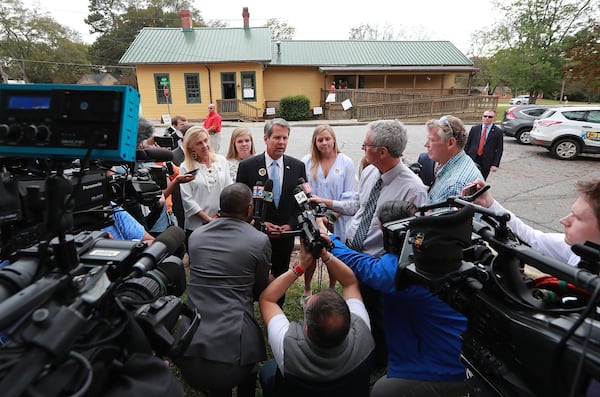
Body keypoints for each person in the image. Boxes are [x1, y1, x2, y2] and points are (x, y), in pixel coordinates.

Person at [309, 119, 427, 378]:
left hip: (377, 266)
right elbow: (359, 207)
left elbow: (411, 242)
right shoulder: (372, 171)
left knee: (378, 317)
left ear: (382, 151)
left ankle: (377, 364)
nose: (363, 149)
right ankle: (359, 348)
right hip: (352, 254)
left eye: (366, 145)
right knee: (356, 306)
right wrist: (328, 202)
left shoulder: (413, 189)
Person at [324, 200, 469, 397]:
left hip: (441, 369)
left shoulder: (402, 270)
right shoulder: (434, 256)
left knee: (382, 392)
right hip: (459, 353)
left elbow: (362, 265)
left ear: (383, 227)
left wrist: (329, 240)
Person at [175, 183, 271, 397]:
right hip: (235, 341)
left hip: (191, 339)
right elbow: (260, 289)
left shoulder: (197, 236)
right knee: (246, 363)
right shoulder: (259, 240)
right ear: (249, 209)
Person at [259, 238, 375, 397]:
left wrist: (300, 267)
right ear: (349, 322)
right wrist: (325, 254)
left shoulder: (288, 348)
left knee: (268, 371)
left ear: (306, 329)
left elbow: (267, 299)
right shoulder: (363, 332)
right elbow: (350, 282)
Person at [236, 118, 307, 307]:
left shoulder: (298, 167)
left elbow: (301, 202)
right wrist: (260, 223)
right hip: (256, 235)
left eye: (285, 138)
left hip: (285, 236)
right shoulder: (248, 167)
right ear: (266, 138)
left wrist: (291, 224)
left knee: (281, 274)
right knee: (252, 274)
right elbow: (241, 203)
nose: (282, 142)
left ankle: (276, 309)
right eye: (277, 137)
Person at [472, 178, 600, 266]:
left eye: (577, 218)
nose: (564, 220)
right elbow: (532, 238)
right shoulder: (578, 248)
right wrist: (489, 204)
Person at [300, 124, 356, 305]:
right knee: (310, 255)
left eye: (327, 139)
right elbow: (303, 193)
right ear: (315, 142)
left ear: (334, 140)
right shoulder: (307, 162)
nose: (324, 143)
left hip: (337, 220)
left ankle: (332, 288)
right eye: (320, 140)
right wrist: (316, 217)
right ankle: (307, 288)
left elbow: (349, 195)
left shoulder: (345, 162)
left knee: (333, 255)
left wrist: (332, 217)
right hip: (312, 219)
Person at [179, 126, 232, 243]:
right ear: (191, 147)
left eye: (205, 140)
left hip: (221, 222)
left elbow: (229, 190)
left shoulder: (221, 161)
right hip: (197, 227)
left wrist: (221, 217)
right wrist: (207, 219)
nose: (204, 145)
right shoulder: (186, 167)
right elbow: (187, 199)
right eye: (199, 143)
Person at [424, 115, 483, 204]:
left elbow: (440, 217)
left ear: (450, 143)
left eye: (431, 140)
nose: (426, 145)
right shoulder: (461, 161)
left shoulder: (453, 186)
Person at [464, 109, 504, 179]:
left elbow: (499, 149)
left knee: (481, 180)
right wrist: (464, 158)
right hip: (472, 158)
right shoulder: (475, 129)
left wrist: (495, 164)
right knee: (469, 178)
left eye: (490, 117)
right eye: (485, 116)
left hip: (486, 161)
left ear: (494, 118)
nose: (487, 118)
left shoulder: (498, 132)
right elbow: (467, 144)